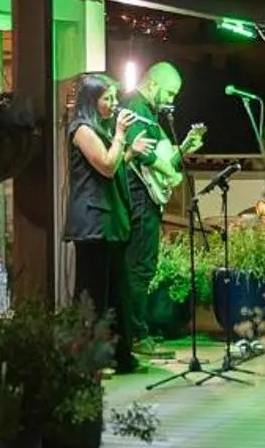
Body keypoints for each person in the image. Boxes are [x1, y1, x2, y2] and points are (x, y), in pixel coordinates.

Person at [63, 73, 151, 373]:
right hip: (94, 224)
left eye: (114, 97)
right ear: (91, 100)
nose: (114, 104)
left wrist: (130, 151)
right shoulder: (82, 130)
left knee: (117, 293)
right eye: (107, 98)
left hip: (110, 222)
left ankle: (119, 356)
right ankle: (89, 360)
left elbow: (112, 165)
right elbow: (107, 166)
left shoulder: (99, 129)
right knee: (93, 296)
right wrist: (121, 134)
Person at [118, 62, 205, 354]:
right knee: (140, 267)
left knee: (144, 265)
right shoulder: (134, 106)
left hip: (147, 198)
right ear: (153, 83)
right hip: (139, 198)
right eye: (169, 93)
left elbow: (164, 158)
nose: (171, 100)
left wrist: (185, 147)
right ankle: (135, 336)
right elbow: (142, 154)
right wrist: (172, 174)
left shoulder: (149, 113)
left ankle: (135, 333)